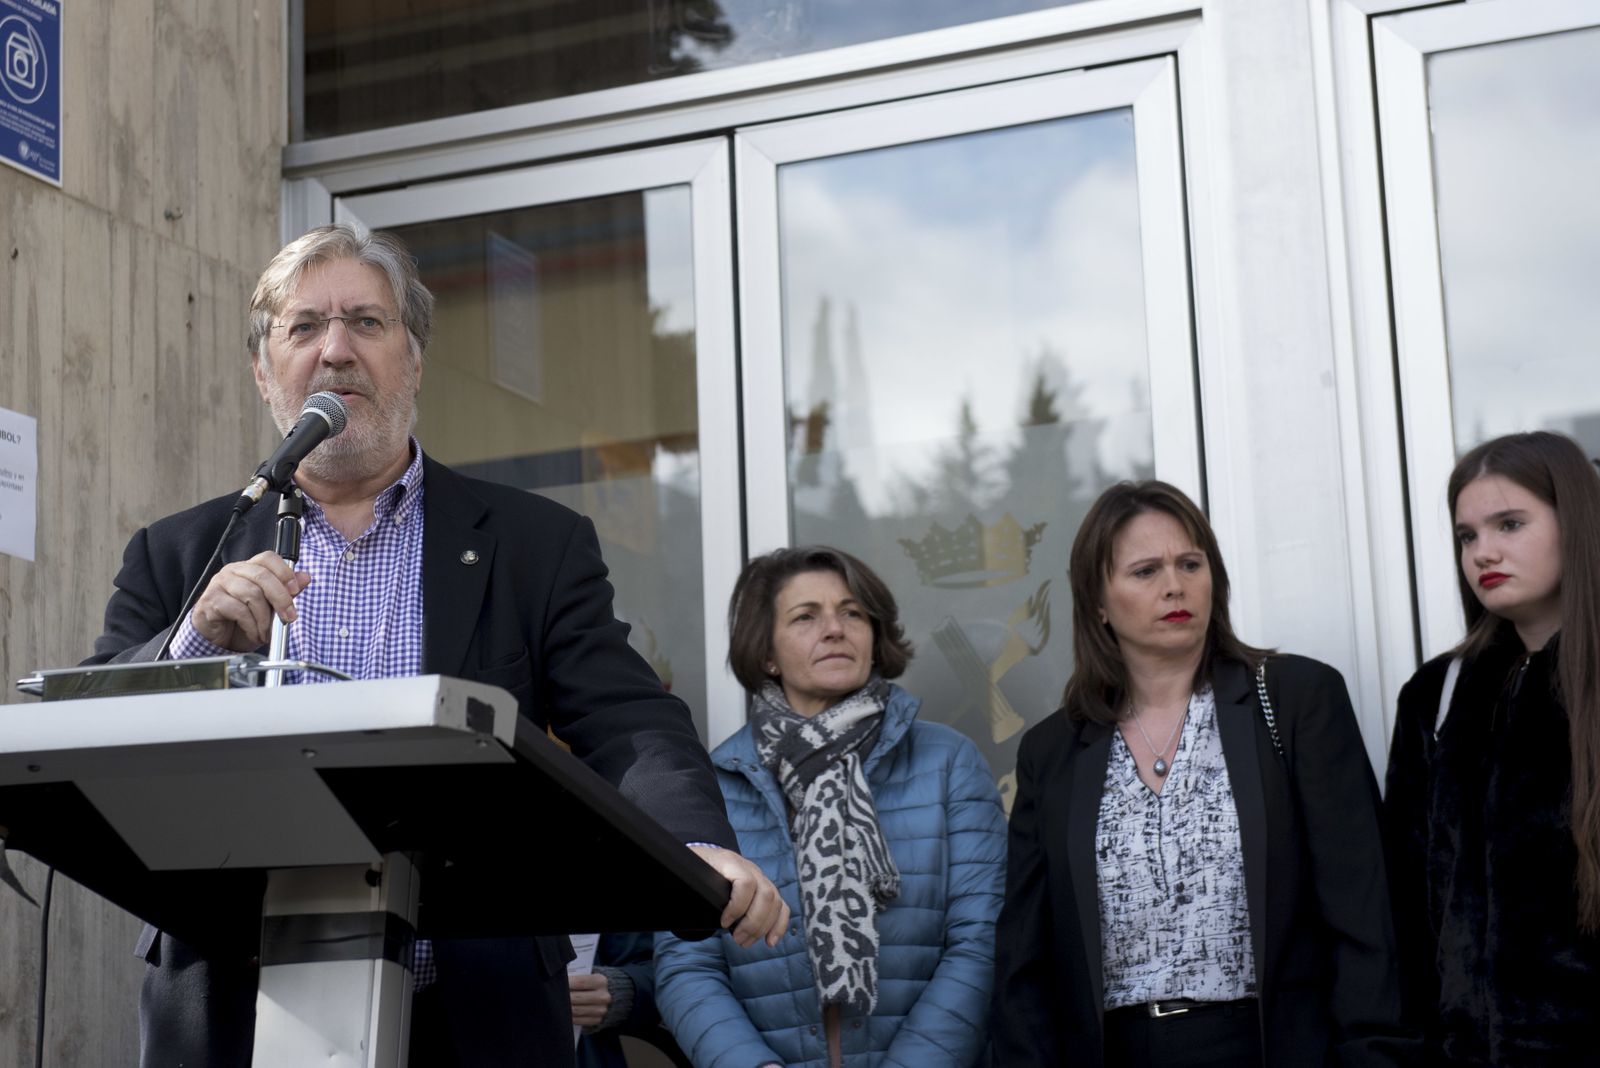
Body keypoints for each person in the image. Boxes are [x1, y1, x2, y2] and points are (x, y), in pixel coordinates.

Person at [84, 223, 788, 1066]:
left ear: (414, 361)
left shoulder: (531, 544)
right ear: (264, 374)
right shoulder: (180, 552)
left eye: (366, 322)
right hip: (230, 1006)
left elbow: (626, 718)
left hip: (473, 1007)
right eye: (304, 327)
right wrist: (194, 641)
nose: (335, 350)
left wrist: (697, 847)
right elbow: (88, 726)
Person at [992, 480, 1409, 1066]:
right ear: (1098, 603)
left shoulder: (1295, 698)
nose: (1175, 585)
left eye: (1190, 563)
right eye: (1145, 571)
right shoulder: (1054, 750)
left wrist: (1374, 1054)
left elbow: (1361, 908)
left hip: (1269, 1048)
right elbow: (1025, 960)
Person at [654, 546, 1006, 1068]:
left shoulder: (948, 761)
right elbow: (688, 964)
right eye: (805, 617)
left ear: (874, 637)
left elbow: (980, 942)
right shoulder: (713, 786)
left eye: (853, 613)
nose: (835, 629)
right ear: (767, 653)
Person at [1384, 430, 1600, 1065]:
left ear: (1575, 523)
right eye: (1466, 536)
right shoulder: (1436, 695)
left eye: (1510, 524)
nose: (1484, 552)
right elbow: (1406, 903)